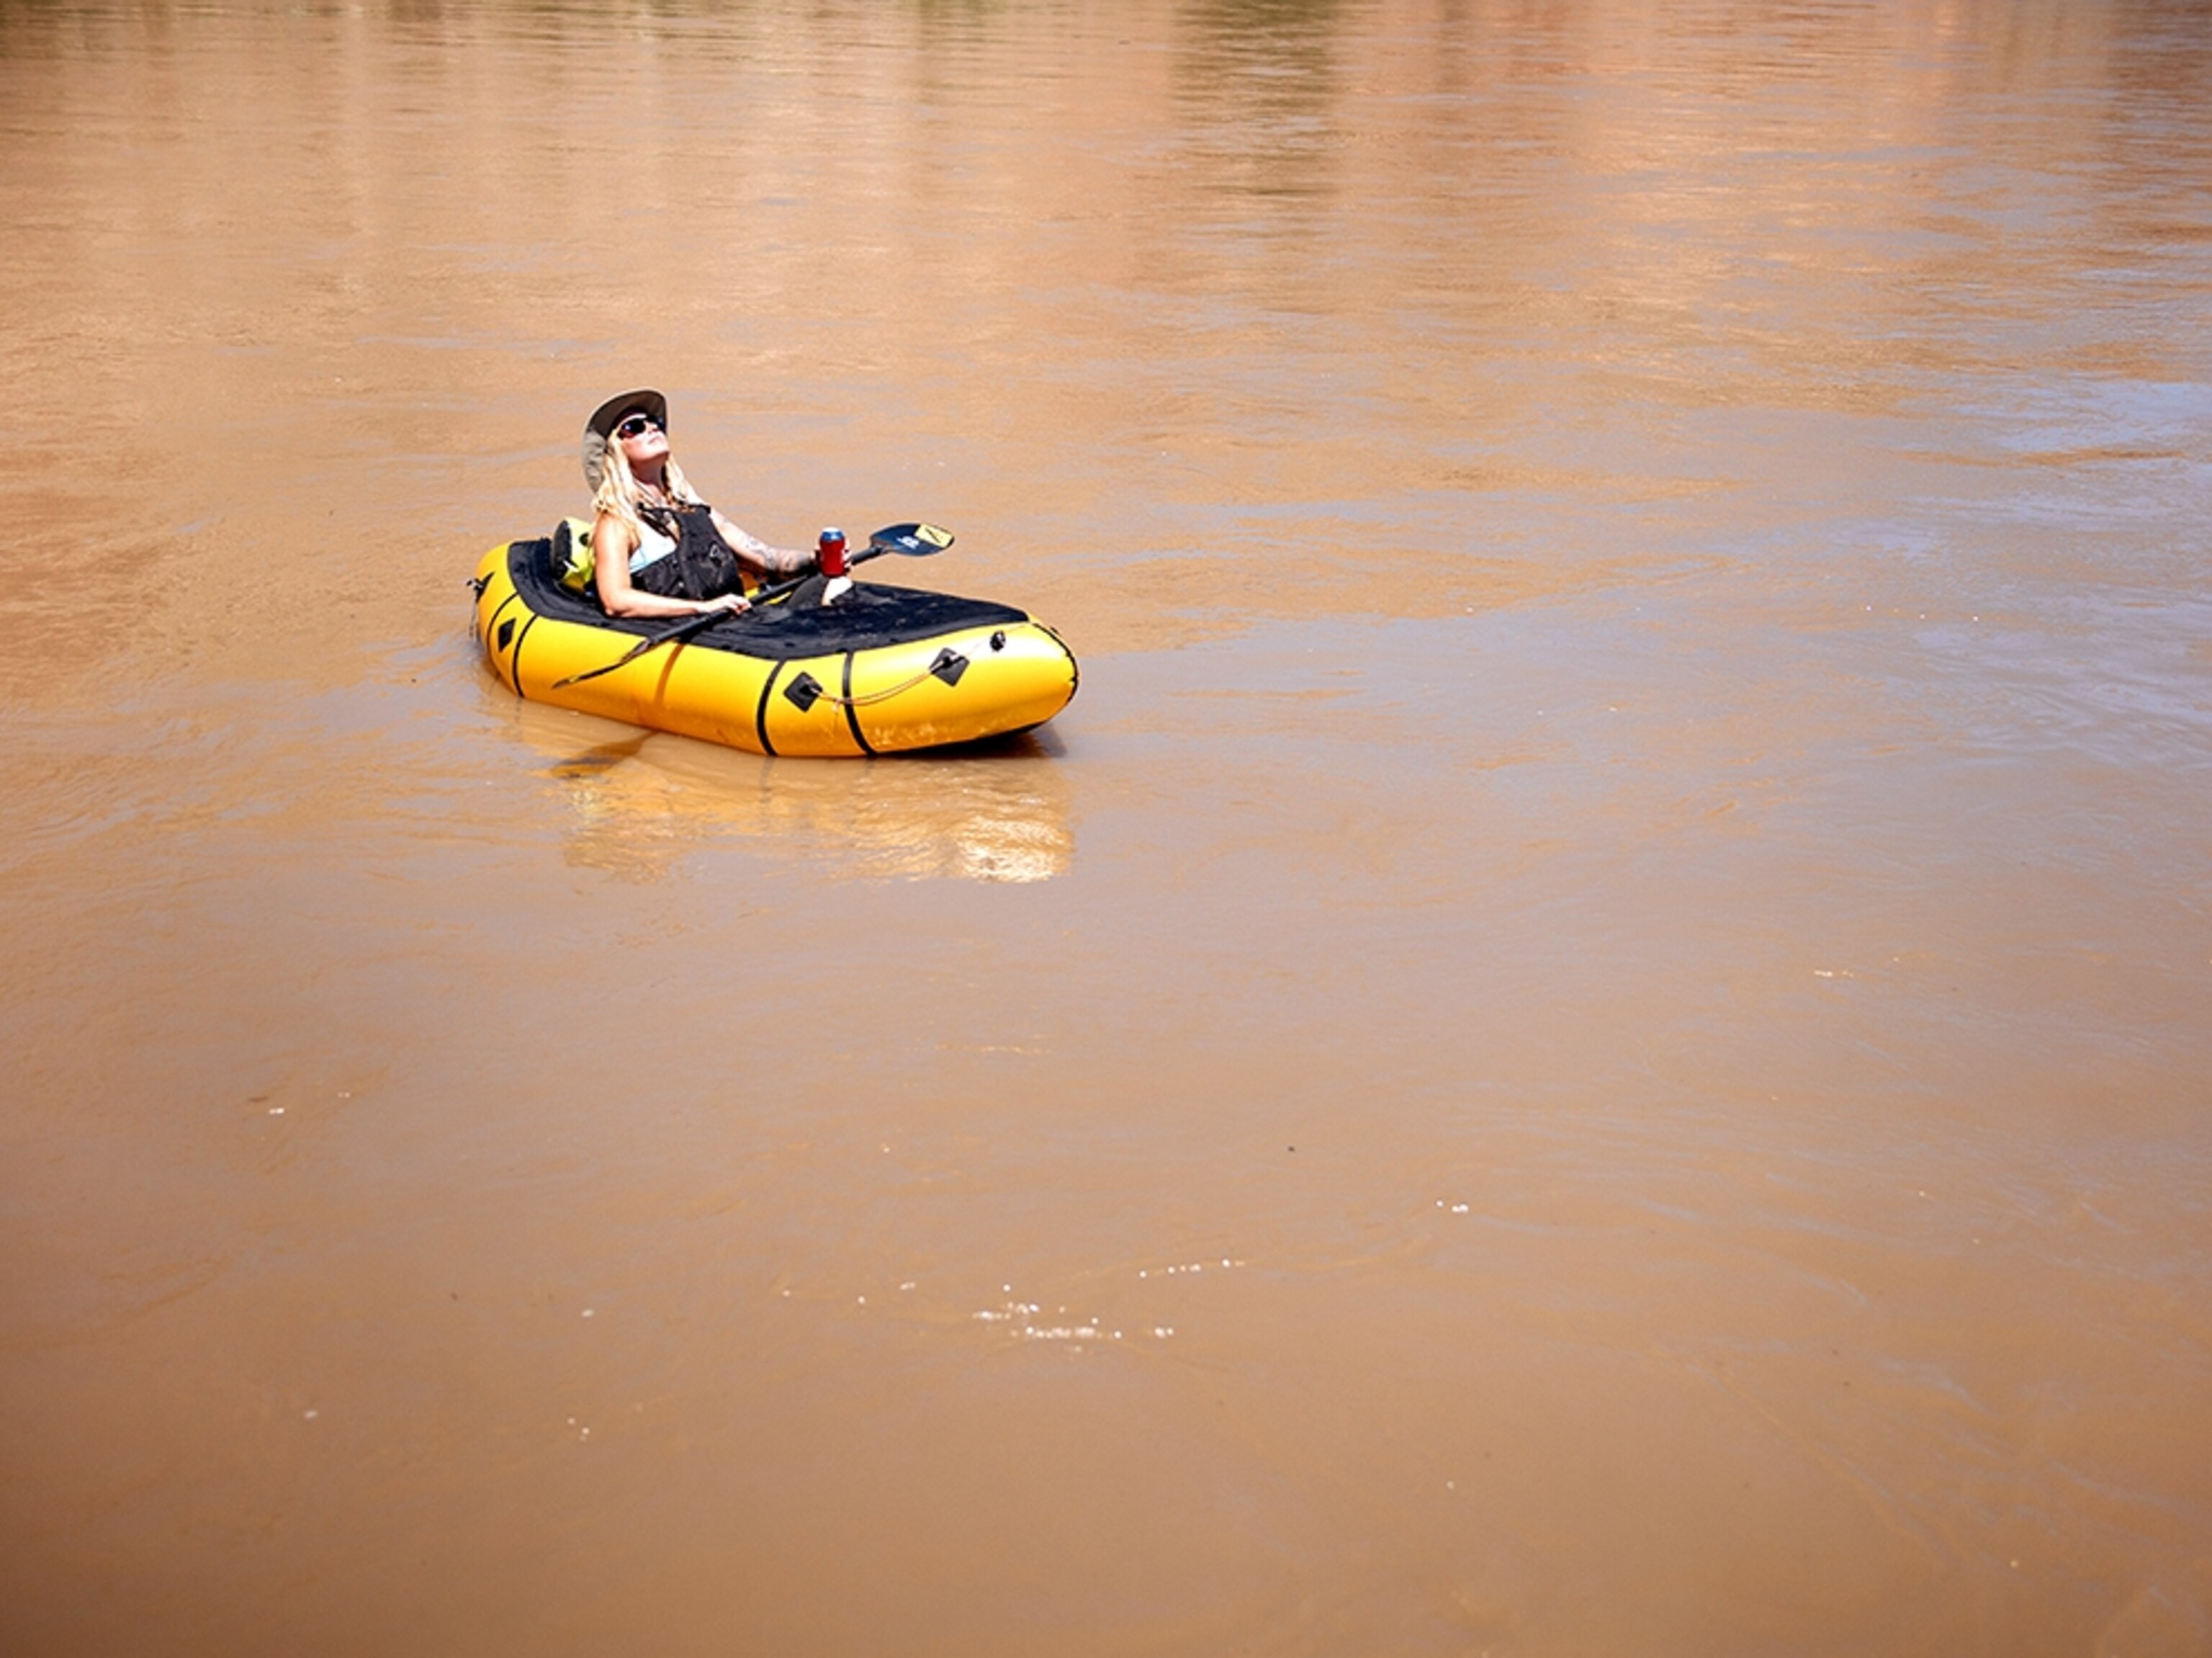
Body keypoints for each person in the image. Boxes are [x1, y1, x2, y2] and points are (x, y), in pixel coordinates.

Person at [580, 389, 814, 619]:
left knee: (829, 585)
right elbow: (617, 601)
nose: (652, 427)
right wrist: (703, 608)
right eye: (635, 427)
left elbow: (767, 558)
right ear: (616, 452)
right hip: (692, 630)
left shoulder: (692, 508)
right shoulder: (617, 523)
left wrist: (817, 561)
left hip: (736, 620)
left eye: (655, 422)